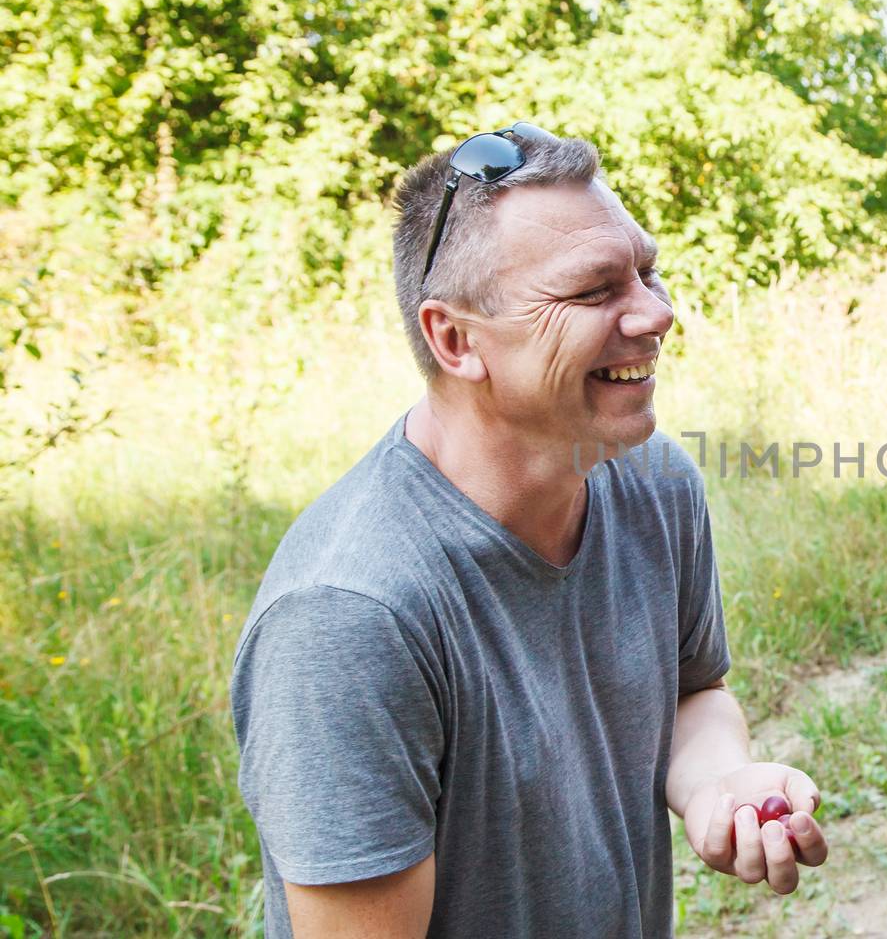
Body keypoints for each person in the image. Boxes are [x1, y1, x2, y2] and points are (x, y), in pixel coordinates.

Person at [230, 123, 828, 938]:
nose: (657, 314)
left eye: (647, 272)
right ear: (455, 338)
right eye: (594, 291)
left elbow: (694, 690)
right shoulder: (349, 618)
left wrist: (718, 781)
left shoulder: (655, 485)